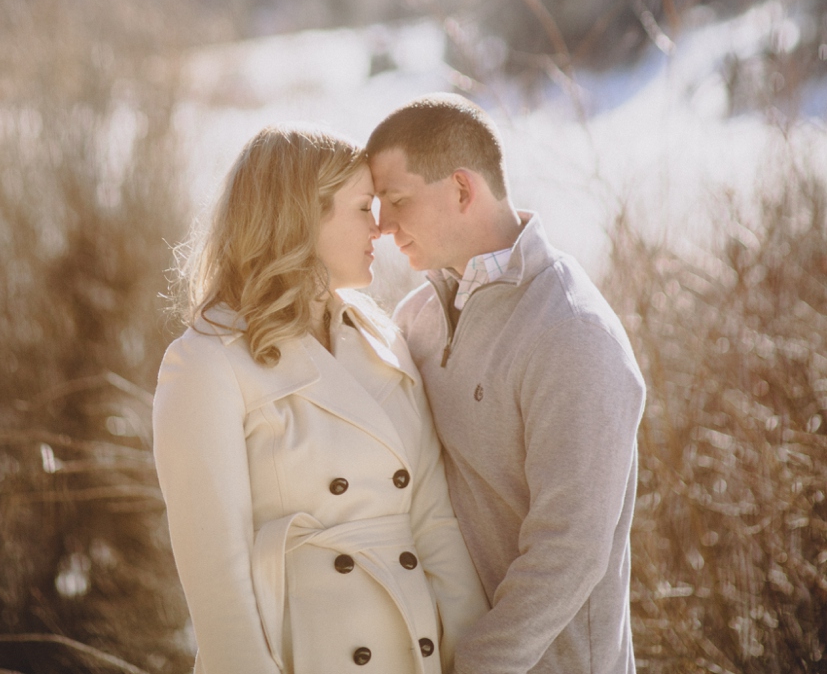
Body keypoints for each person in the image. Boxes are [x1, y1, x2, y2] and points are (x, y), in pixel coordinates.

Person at [152, 124, 487, 674]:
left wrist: (478, 660)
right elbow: (218, 584)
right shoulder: (206, 363)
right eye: (362, 207)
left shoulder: (386, 340)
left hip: (416, 653)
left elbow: (434, 523)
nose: (380, 227)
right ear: (301, 218)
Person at [367, 95, 646, 674]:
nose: (383, 226)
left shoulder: (572, 332)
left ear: (463, 190)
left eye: (397, 201)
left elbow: (568, 550)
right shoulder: (414, 318)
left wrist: (478, 664)